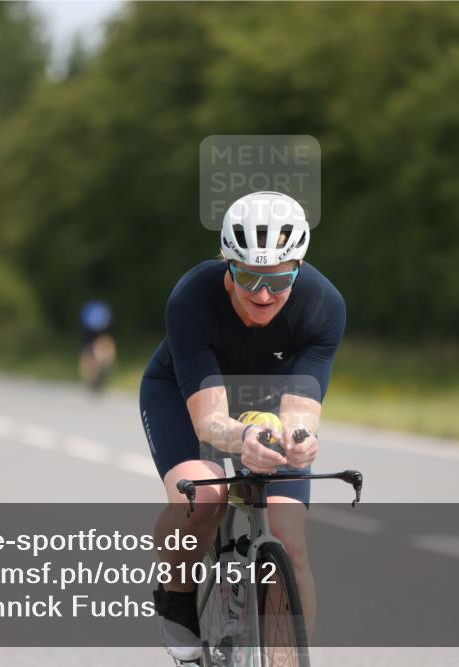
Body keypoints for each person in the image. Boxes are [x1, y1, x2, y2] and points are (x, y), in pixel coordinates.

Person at [139, 191, 345, 661]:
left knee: (290, 542)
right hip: (183, 393)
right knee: (206, 495)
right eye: (249, 275)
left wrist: (299, 439)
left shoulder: (323, 305)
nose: (264, 293)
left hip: (269, 399)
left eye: (279, 278)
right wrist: (243, 438)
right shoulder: (192, 298)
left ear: (299, 267)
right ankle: (177, 592)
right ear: (227, 266)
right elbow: (210, 419)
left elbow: (301, 406)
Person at [79, 299, 116, 392]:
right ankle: (93, 375)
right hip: (92, 332)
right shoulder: (101, 312)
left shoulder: (94, 311)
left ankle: (100, 369)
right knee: (89, 354)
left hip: (95, 332)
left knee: (91, 352)